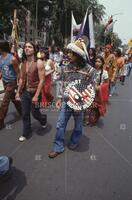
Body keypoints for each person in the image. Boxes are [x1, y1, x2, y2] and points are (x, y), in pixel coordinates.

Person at [48, 39, 96, 158]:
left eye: (71, 53)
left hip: (80, 104)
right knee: (60, 124)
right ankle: (58, 146)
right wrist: (59, 98)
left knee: (78, 126)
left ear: (78, 54)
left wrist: (84, 105)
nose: (68, 55)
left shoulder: (90, 70)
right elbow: (61, 83)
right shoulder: (65, 68)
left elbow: (91, 89)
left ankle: (74, 141)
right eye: (68, 52)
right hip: (66, 101)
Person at [15, 41, 47, 142]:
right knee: (25, 113)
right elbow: (21, 79)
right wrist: (17, 92)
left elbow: (42, 80)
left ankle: (43, 119)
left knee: (35, 113)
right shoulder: (23, 64)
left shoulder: (39, 62)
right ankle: (26, 132)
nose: (27, 48)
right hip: (24, 92)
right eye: (25, 47)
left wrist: (36, 95)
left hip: (35, 92)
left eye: (30, 47)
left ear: (34, 49)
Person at [0, 40, 22, 130]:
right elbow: (1, 70)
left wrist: (19, 86)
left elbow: (18, 73)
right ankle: (22, 112)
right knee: (13, 99)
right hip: (5, 82)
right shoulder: (0, 57)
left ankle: (0, 121)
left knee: (5, 102)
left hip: (12, 82)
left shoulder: (12, 59)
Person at [83, 56, 109, 125]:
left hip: (99, 93)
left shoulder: (105, 73)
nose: (97, 63)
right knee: (88, 105)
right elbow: (87, 79)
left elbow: (106, 84)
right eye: (96, 61)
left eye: (99, 62)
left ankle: (94, 118)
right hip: (90, 91)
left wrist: (100, 87)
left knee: (97, 107)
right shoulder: (91, 71)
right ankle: (87, 119)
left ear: (102, 63)